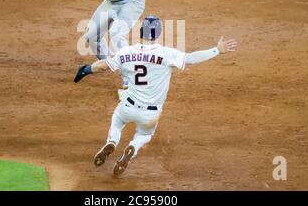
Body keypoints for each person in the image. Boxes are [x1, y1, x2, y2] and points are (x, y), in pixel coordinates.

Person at [74, 15, 238, 176]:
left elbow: (103, 66)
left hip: (128, 105)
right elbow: (191, 59)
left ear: (141, 32)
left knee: (117, 120)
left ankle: (111, 142)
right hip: (150, 114)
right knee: (145, 134)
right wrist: (217, 50)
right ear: (158, 34)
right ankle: (133, 147)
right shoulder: (166, 54)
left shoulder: (125, 52)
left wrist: (86, 70)